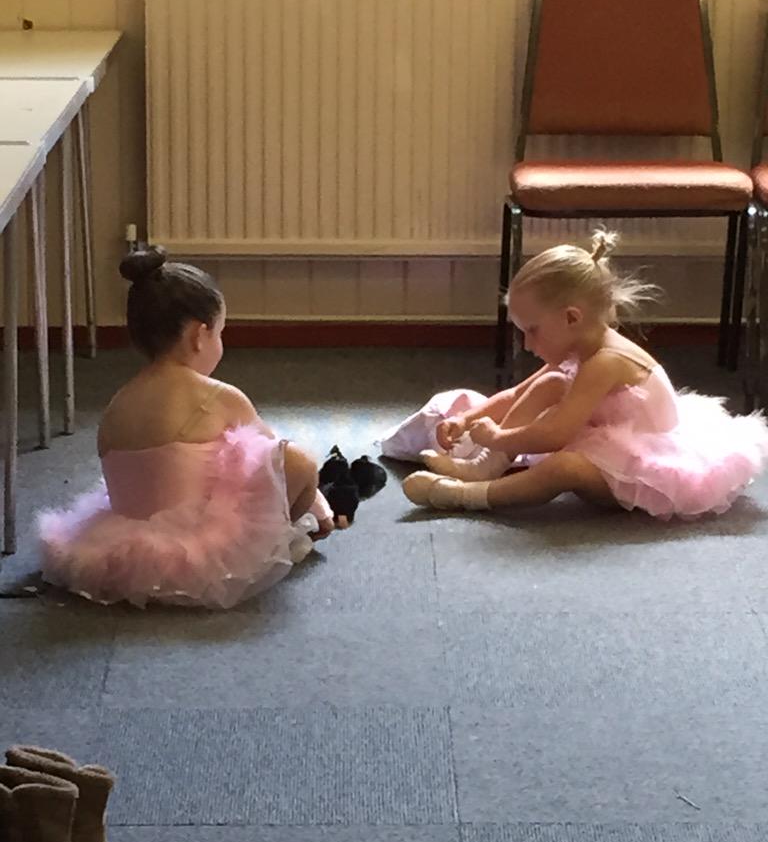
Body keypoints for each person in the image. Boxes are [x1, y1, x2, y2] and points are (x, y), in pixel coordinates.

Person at [39, 247, 336, 608]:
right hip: (199, 553)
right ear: (199, 335)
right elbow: (273, 461)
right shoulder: (220, 397)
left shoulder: (118, 402)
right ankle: (283, 537)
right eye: (220, 333)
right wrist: (317, 506)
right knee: (299, 461)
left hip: (120, 549)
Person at [402, 229, 768, 518]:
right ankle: (482, 468)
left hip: (644, 464)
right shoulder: (579, 346)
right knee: (549, 383)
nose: (527, 344)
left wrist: (498, 437)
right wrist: (468, 418)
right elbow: (518, 394)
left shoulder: (606, 361)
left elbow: (556, 434)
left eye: (532, 330)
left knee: (565, 467)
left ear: (572, 318)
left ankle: (470, 496)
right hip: (605, 436)